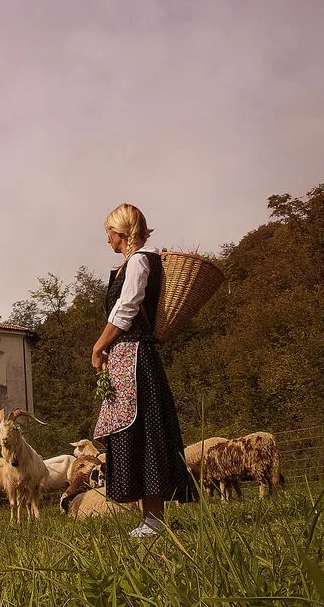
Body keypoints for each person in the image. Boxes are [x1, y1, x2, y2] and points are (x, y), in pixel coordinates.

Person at [91, 203, 196, 538]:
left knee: (145, 429)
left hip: (135, 356)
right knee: (137, 431)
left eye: (109, 231)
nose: (107, 238)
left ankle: (154, 519)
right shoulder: (134, 262)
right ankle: (150, 517)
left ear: (121, 233)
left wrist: (99, 345)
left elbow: (127, 309)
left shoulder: (139, 261)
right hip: (128, 356)